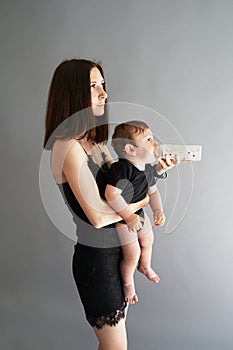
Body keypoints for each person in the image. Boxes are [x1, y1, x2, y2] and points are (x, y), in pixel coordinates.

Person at [43, 58, 177, 350]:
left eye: (103, 85)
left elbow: (127, 185)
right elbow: (98, 216)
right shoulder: (67, 146)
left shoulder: (95, 143)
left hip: (118, 252)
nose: (104, 93)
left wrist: (157, 170)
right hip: (97, 261)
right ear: (72, 93)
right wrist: (142, 203)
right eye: (93, 86)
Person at [105, 121, 165, 305]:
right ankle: (128, 283)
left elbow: (153, 191)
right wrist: (128, 216)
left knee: (149, 240)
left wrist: (157, 210)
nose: (155, 143)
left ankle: (145, 267)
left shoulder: (147, 169)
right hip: (123, 218)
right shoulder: (121, 169)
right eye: (148, 140)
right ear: (131, 149)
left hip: (139, 212)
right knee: (132, 254)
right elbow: (111, 194)